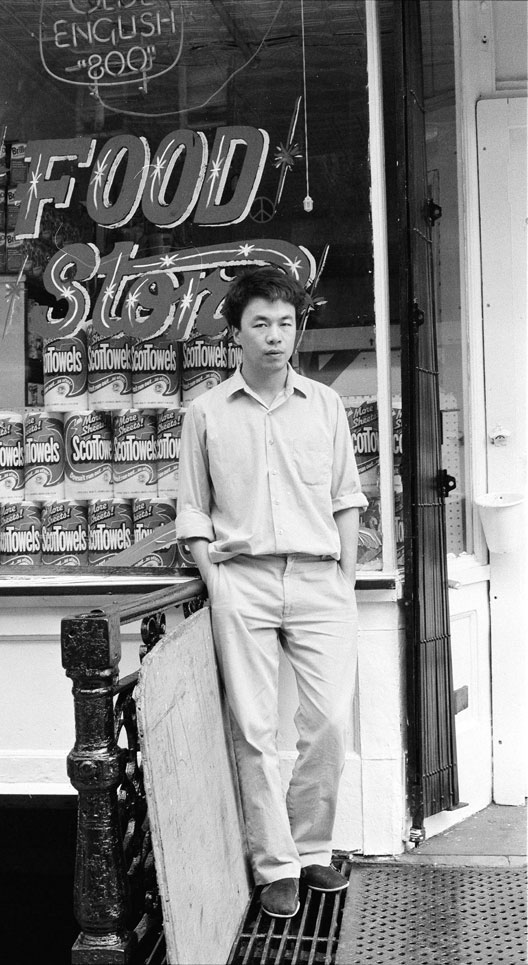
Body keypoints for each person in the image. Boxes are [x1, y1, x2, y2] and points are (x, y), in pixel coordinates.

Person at [175, 265, 368, 919]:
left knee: (329, 724)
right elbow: (193, 511)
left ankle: (312, 845)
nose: (276, 335)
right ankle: (276, 864)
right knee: (254, 730)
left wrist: (343, 576)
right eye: (261, 323)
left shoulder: (327, 406)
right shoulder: (204, 414)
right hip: (245, 584)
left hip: (320, 580)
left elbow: (347, 496)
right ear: (236, 335)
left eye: (286, 323)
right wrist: (217, 578)